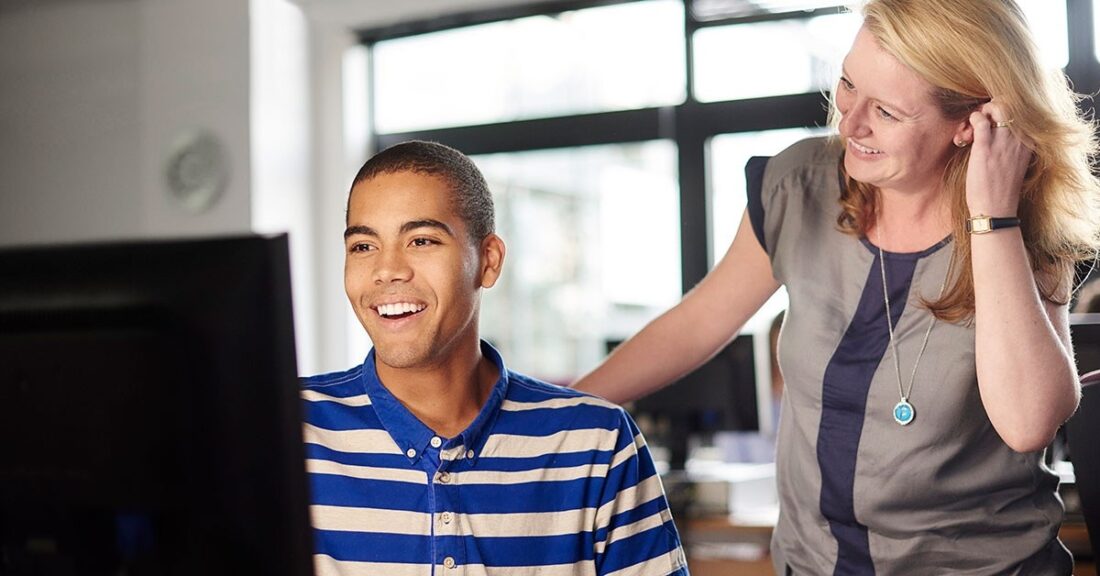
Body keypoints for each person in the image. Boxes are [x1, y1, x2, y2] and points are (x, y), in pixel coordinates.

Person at [573, 0, 1100, 573]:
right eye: (848, 83)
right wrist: (554, 416)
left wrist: (991, 216)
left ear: (970, 124)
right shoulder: (798, 185)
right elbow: (697, 325)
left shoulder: (1023, 223)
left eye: (888, 112)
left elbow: (1029, 423)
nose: (849, 123)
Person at [300, 140, 689, 576]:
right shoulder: (286, 431)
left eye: (421, 240)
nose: (387, 269)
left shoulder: (598, 443)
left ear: (488, 260)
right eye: (363, 247)